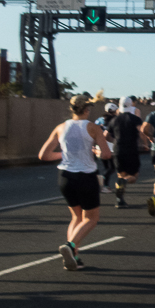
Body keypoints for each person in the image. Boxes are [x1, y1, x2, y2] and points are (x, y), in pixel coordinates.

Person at [37, 95, 112, 271]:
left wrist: (63, 155)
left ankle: (75, 257)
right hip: (85, 176)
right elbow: (107, 154)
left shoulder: (61, 127)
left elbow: (43, 155)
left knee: (76, 217)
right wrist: (97, 152)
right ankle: (70, 246)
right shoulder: (93, 127)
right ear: (86, 109)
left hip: (65, 176)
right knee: (92, 218)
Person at [109, 98, 145, 208]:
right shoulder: (135, 119)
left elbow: (106, 135)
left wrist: (115, 141)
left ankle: (120, 200)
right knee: (134, 176)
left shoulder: (114, 120)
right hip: (131, 149)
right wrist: (146, 143)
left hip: (118, 149)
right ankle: (125, 181)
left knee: (120, 175)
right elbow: (141, 132)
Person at [94, 102, 118, 193]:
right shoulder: (116, 120)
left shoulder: (99, 120)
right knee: (112, 167)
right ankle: (104, 184)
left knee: (106, 167)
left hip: (100, 145)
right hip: (111, 145)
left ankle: (105, 184)